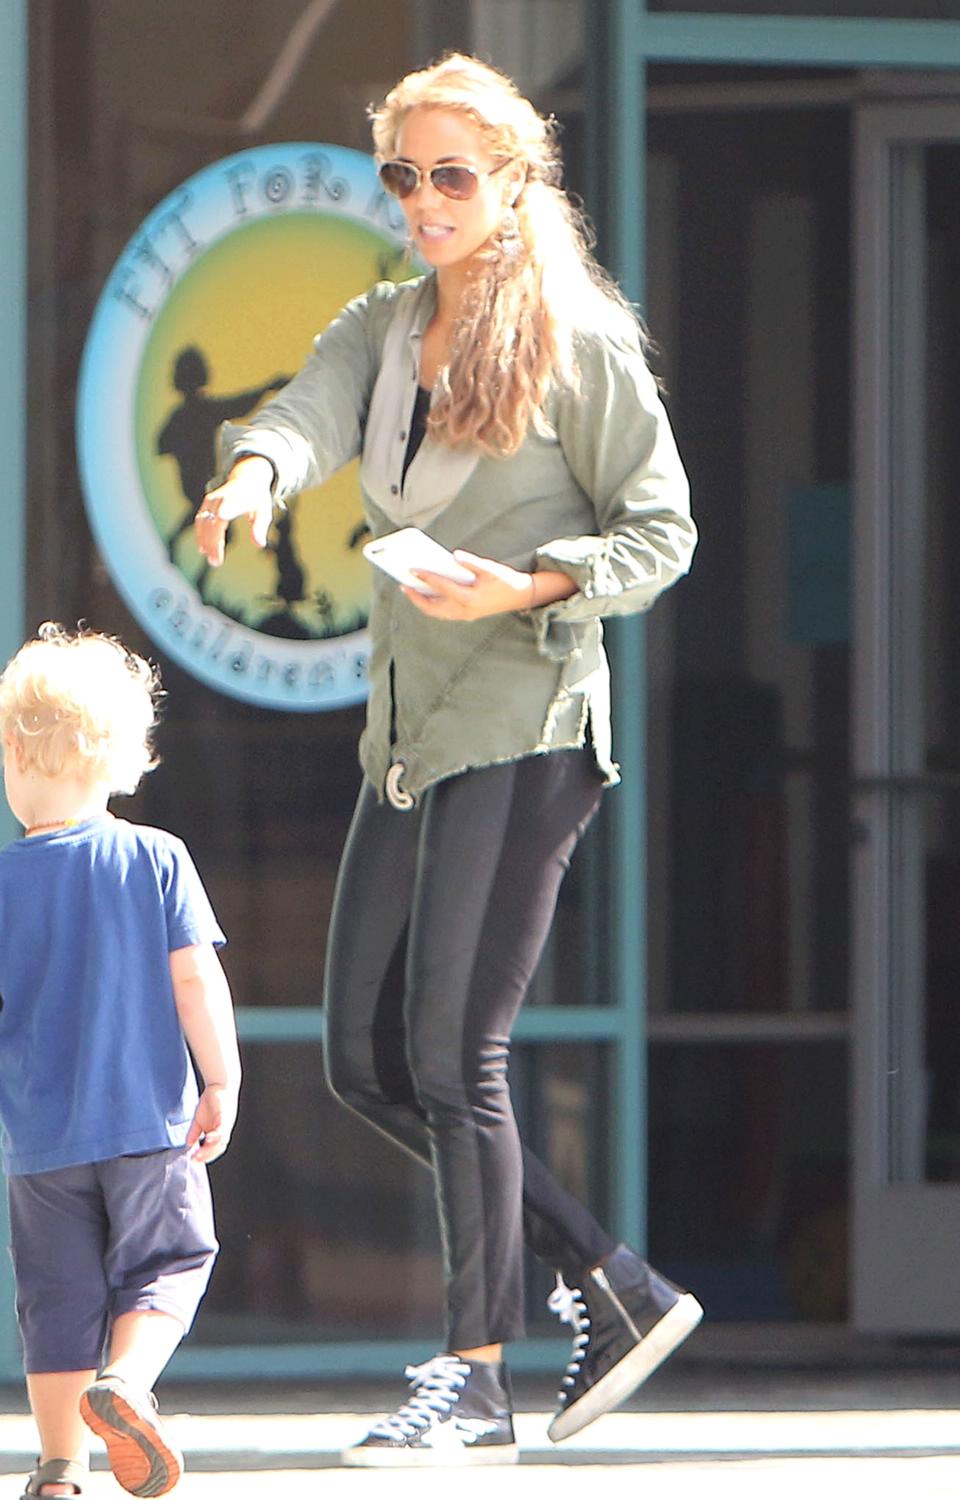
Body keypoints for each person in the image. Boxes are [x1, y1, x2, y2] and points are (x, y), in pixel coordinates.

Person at [196, 52, 699, 1467]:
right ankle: (611, 1275)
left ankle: (472, 1377)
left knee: (452, 1052)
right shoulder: (385, 322)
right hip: (411, 738)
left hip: (530, 731)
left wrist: (531, 584)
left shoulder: (579, 346)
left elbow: (662, 530)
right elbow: (302, 416)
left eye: (450, 176)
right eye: (402, 176)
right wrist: (250, 476)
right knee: (362, 1055)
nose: (422, 202)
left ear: (515, 183)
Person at [0, 624, 241, 1499]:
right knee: (168, 1262)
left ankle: (60, 1472)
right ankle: (129, 1384)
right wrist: (222, 1078)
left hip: (41, 1145)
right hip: (148, 1123)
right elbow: (194, 980)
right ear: (122, 759)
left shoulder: (4, 879)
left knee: (56, 1304)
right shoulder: (156, 858)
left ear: (14, 753)